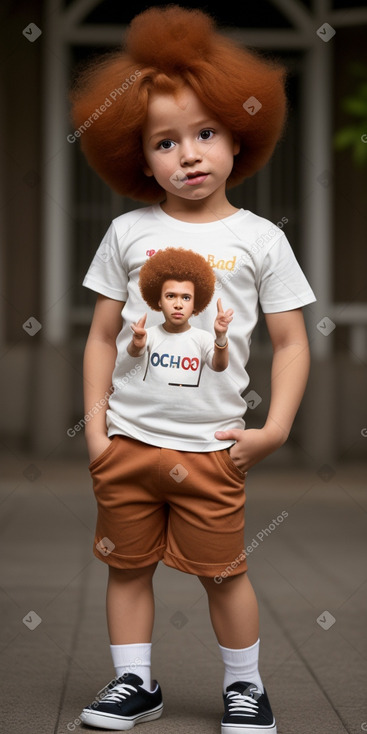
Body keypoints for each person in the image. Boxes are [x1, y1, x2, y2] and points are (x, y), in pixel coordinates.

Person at [70, 5, 316, 733]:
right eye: (165, 142)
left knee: (223, 571)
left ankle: (246, 688)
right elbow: (102, 336)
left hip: (212, 447)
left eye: (205, 133)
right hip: (127, 443)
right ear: (138, 159)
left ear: (239, 138)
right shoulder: (127, 232)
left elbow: (292, 342)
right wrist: (94, 431)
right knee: (125, 566)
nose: (189, 154)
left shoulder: (260, 239)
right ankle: (134, 682)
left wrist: (272, 430)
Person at [127, 247, 234, 387]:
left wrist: (220, 337)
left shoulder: (203, 338)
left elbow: (219, 366)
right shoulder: (150, 334)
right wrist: (137, 343)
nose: (178, 304)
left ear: (195, 304)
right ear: (159, 301)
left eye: (186, 298)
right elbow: (134, 353)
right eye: (171, 296)